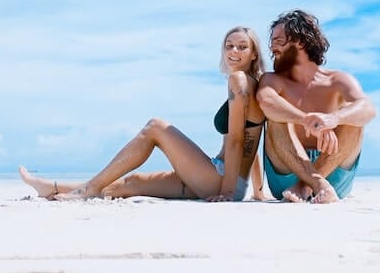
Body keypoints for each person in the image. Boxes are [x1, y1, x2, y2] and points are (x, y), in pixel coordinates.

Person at [19, 26, 268, 201]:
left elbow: (237, 141)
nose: (233, 51)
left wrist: (227, 193)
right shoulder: (254, 85)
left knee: (155, 127)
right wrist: (254, 190)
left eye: (242, 47)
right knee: (130, 184)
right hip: (227, 178)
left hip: (221, 179)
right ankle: (51, 187)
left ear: (254, 53)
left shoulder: (238, 81)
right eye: (229, 46)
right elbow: (252, 142)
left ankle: (89, 189)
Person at [257, 10, 375, 204]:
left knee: (355, 118)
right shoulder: (272, 80)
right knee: (277, 117)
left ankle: (306, 186)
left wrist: (334, 118)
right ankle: (315, 183)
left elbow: (368, 108)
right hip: (287, 172)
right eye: (272, 41)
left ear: (301, 42)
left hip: (333, 170)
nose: (272, 46)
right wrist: (307, 119)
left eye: (279, 40)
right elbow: (266, 102)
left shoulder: (337, 79)